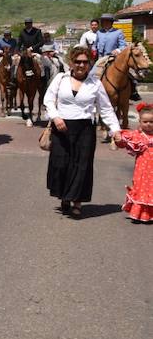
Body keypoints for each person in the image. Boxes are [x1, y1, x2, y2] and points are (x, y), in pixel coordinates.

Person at [44, 46, 122, 219]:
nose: (81, 65)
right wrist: (55, 117)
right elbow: (48, 100)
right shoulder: (60, 78)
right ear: (71, 63)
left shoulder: (96, 84)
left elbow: (106, 109)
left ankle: (77, 202)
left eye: (85, 62)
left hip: (85, 129)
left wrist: (115, 130)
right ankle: (65, 196)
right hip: (61, 127)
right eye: (77, 61)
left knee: (81, 166)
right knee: (61, 164)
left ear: (90, 64)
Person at [115, 102, 153, 223]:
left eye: (151, 122)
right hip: (143, 169)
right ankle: (140, 213)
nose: (148, 124)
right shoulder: (137, 135)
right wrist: (118, 138)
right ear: (140, 122)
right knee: (141, 187)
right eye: (145, 122)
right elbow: (123, 140)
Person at [93, 13, 138, 100]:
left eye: (107, 21)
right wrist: (93, 50)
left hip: (114, 58)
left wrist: (117, 50)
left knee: (130, 75)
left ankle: (133, 92)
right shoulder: (99, 32)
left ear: (111, 22)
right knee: (92, 74)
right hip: (101, 58)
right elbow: (95, 45)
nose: (105, 23)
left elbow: (123, 45)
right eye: (103, 21)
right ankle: (93, 95)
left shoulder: (118, 32)